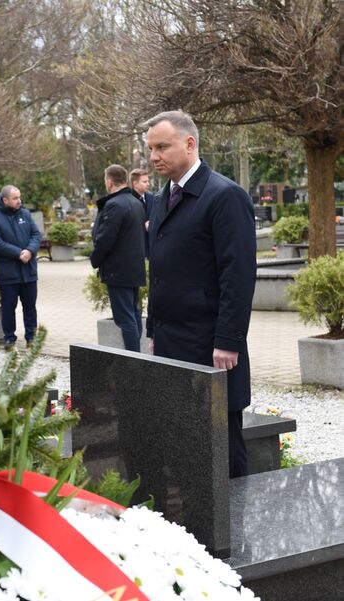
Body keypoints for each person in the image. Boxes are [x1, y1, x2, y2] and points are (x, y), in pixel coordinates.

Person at [144, 110, 256, 478]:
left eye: (162, 146)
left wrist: (228, 340)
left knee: (221, 445)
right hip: (172, 339)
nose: (153, 156)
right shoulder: (161, 198)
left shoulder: (224, 196)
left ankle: (235, 530)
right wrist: (152, 333)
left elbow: (237, 276)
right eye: (149, 148)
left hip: (211, 344)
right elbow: (159, 272)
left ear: (189, 144)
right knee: (182, 441)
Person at [90, 165, 147, 351]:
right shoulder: (136, 202)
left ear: (109, 181)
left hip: (118, 270)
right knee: (134, 313)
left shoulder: (114, 204)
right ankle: (137, 355)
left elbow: (105, 239)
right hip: (133, 267)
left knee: (125, 318)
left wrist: (95, 260)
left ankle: (133, 359)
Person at [0, 185, 42, 350]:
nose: (19, 201)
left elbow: (36, 234)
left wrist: (30, 251)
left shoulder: (25, 214)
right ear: (5, 200)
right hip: (8, 272)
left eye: (19, 197)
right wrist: (18, 253)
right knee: (9, 307)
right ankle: (9, 338)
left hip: (28, 271)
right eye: (15, 198)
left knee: (30, 306)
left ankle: (32, 337)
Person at [130, 168, 156, 256]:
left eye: (148, 181)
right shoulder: (128, 200)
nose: (148, 184)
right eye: (144, 182)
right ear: (135, 183)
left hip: (151, 246)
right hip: (135, 247)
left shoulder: (151, 198)